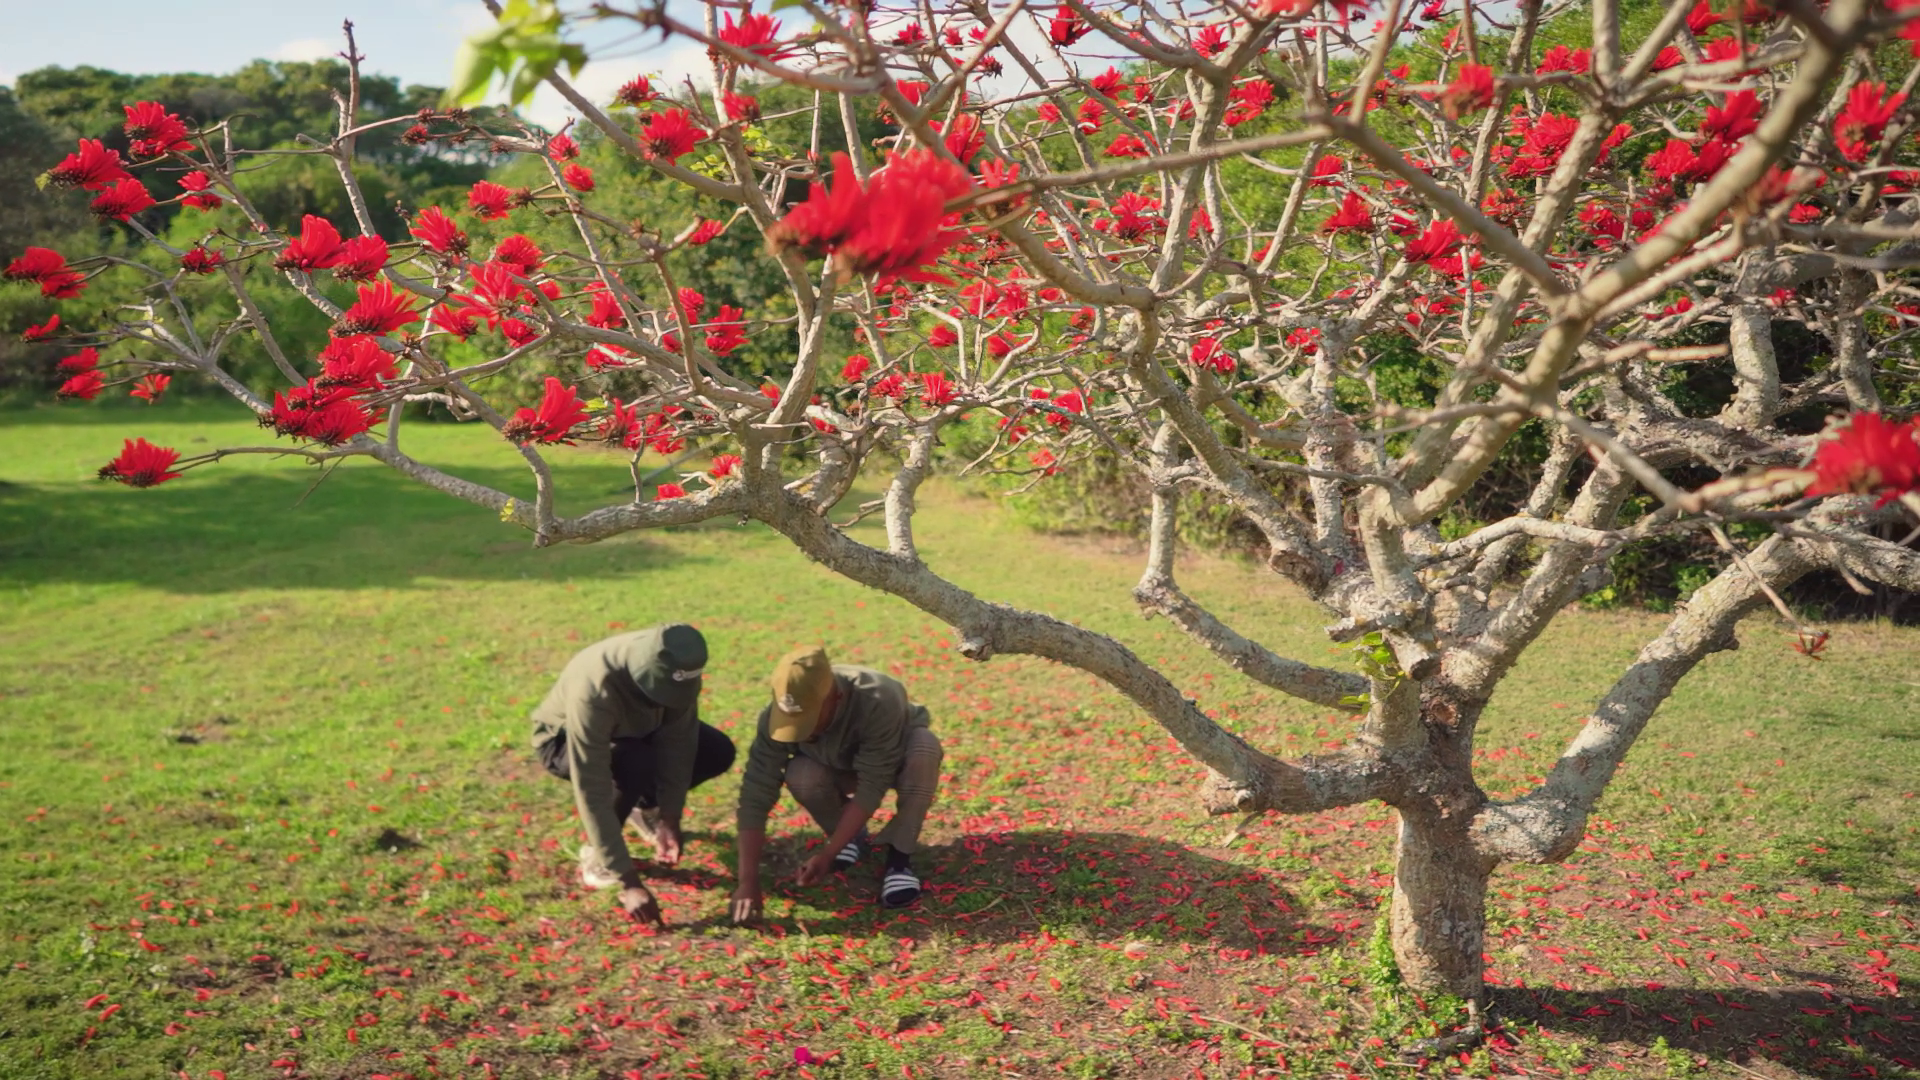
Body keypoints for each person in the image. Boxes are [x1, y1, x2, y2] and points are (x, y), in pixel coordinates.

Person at [530, 624, 736, 926]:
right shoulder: (595, 690)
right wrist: (629, 882)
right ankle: (599, 856)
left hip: (636, 730)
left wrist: (670, 817)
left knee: (715, 751)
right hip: (563, 742)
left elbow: (679, 746)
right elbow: (593, 785)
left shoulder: (680, 667)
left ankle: (644, 808)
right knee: (635, 760)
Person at [729, 646, 944, 923]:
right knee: (801, 773)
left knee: (924, 750)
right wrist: (747, 881)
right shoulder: (773, 714)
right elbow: (755, 791)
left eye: (808, 720)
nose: (801, 731)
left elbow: (872, 783)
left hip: (892, 757)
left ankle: (899, 859)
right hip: (832, 763)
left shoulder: (879, 697)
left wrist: (828, 852)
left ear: (836, 697)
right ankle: (851, 837)